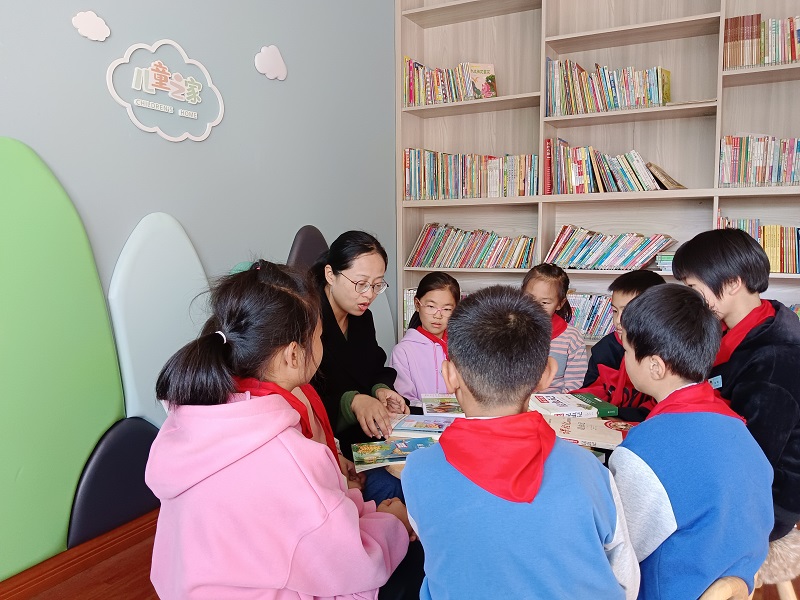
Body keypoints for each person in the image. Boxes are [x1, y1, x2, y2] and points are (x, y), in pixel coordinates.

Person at [145, 261, 412, 600]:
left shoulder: (195, 415)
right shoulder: (287, 453)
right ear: (293, 355)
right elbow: (353, 565)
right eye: (319, 338)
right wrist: (393, 524)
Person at [402, 285, 640, 599]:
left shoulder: (416, 470)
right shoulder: (591, 470)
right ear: (547, 375)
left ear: (449, 375)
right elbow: (625, 581)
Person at [608, 284, 773, 599]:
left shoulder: (645, 451)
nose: (624, 358)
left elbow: (619, 557)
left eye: (627, 350)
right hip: (733, 584)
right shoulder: (738, 428)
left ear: (655, 366)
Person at [672, 228, 800, 541]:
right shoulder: (734, 330)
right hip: (727, 465)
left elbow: (753, 457)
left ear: (732, 282)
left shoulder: (776, 355)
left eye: (693, 288)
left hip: (766, 499)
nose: (690, 299)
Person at [311, 230, 409, 502]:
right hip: (332, 440)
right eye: (361, 284)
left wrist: (380, 390)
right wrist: (352, 402)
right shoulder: (308, 320)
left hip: (367, 432)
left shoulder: (361, 317)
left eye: (377, 285)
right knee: (393, 485)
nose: (369, 295)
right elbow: (304, 393)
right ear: (330, 275)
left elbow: (374, 365)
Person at [575, 270, 666, 421]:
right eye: (615, 311)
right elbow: (590, 392)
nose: (618, 320)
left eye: (627, 312)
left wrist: (617, 415)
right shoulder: (604, 349)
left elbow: (661, 405)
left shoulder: (666, 351)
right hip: (604, 422)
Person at [389, 272, 460, 407]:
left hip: (460, 418)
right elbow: (403, 399)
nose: (438, 315)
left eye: (447, 309)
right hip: (419, 418)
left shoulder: (462, 347)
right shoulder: (403, 351)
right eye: (431, 307)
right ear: (417, 304)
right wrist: (435, 409)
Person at [522, 263, 588, 392]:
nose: (535, 307)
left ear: (560, 304)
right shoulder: (510, 330)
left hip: (556, 403)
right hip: (516, 402)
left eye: (544, 302)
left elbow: (575, 384)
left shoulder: (572, 338)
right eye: (529, 298)